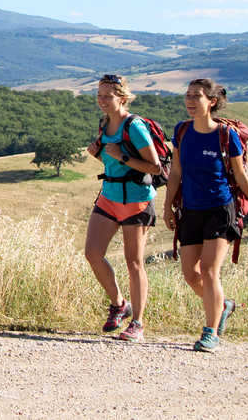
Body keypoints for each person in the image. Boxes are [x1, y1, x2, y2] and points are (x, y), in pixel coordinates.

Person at [163, 78, 248, 352]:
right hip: (191, 209)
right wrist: (167, 205)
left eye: (197, 96)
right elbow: (175, 172)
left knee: (209, 270)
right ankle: (224, 306)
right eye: (188, 95)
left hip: (220, 209)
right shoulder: (182, 131)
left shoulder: (225, 135)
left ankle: (210, 332)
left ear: (212, 102)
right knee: (189, 273)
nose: (190, 100)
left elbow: (240, 174)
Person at [84, 73, 161, 342]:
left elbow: (155, 167)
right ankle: (119, 304)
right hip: (110, 196)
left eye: (108, 96)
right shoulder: (105, 124)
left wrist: (123, 156)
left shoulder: (135, 127)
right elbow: (112, 164)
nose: (102, 100)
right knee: (93, 253)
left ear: (123, 97)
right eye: (99, 95)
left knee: (134, 263)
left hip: (136, 199)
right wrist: (99, 155)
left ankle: (137, 323)